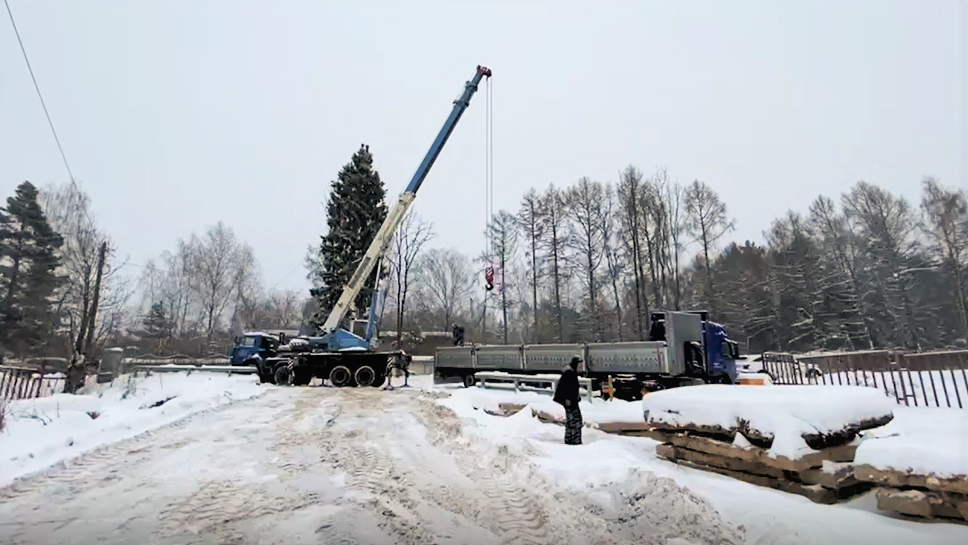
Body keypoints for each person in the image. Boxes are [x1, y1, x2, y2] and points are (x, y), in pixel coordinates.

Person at [553, 355, 583, 445]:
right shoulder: (570, 373)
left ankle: (569, 440)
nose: (581, 368)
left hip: (570, 400)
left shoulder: (570, 372)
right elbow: (568, 388)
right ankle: (575, 441)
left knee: (571, 421)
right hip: (570, 401)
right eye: (580, 366)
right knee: (576, 420)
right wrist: (568, 399)